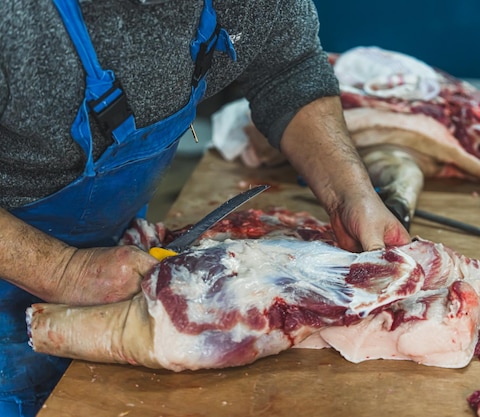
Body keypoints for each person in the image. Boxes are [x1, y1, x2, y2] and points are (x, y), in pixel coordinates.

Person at [0, 0, 411, 415]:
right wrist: (63, 270)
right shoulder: (17, 21)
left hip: (114, 259)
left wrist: (350, 194)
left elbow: (288, 69)